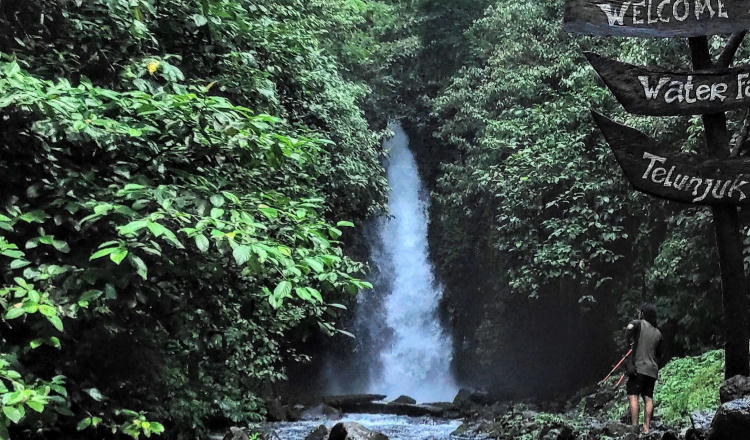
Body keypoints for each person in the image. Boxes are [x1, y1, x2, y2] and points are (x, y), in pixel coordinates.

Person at [625, 303, 662, 434]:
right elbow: (659, 353)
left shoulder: (639, 323)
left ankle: (635, 427)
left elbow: (630, 327)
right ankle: (646, 428)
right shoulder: (658, 332)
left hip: (638, 368)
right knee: (648, 397)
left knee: (633, 395)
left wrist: (629, 342)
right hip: (652, 370)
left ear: (643, 314)